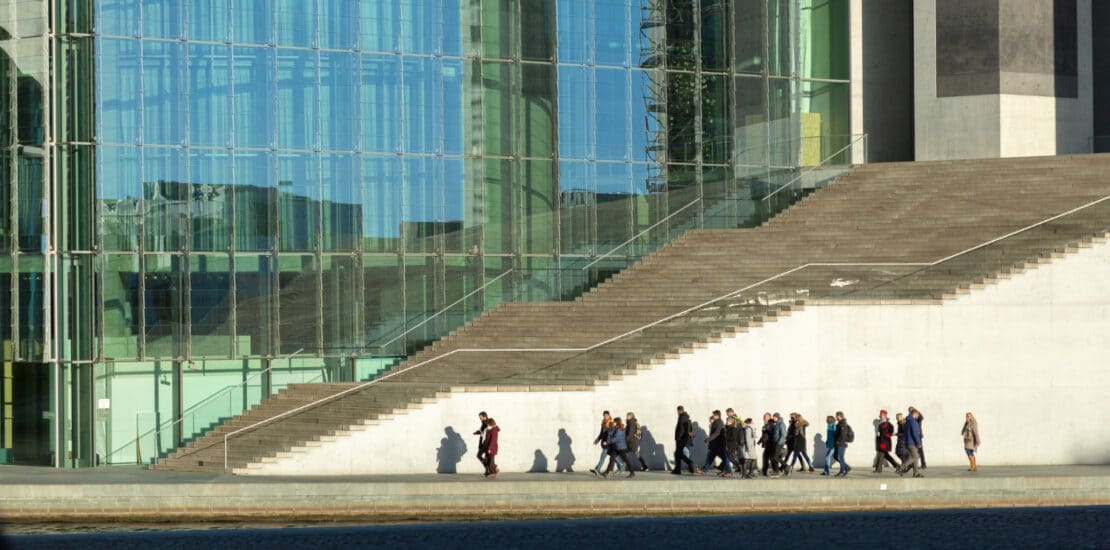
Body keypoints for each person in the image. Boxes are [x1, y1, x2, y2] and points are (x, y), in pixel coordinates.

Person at [699, 410, 732, 477]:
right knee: (710, 458)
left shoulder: (719, 422)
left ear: (717, 415)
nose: (713, 416)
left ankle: (729, 472)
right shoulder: (716, 422)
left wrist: (709, 439)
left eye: (714, 415)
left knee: (724, 458)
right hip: (715, 445)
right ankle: (703, 471)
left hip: (719, 445)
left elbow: (717, 433)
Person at [591, 411, 622, 475]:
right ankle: (621, 467)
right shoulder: (603, 423)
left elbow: (612, 433)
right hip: (604, 442)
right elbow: (601, 433)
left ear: (609, 415)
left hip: (608, 443)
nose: (605, 417)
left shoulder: (611, 423)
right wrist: (597, 439)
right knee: (614, 457)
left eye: (606, 415)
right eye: (604, 415)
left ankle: (597, 469)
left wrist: (608, 441)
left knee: (603, 456)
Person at [672, 406, 699, 475]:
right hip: (682, 439)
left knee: (678, 454)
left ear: (678, 411)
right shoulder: (685, 416)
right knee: (678, 454)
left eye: (677, 411)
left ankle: (689, 463)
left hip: (680, 439)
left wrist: (678, 438)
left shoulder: (682, 417)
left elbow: (681, 429)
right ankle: (678, 469)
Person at [898, 407, 923, 478]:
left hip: (907, 442)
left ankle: (916, 473)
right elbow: (915, 434)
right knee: (916, 457)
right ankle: (901, 467)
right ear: (915, 414)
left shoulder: (907, 421)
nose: (918, 417)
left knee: (914, 457)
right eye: (917, 415)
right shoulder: (913, 422)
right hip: (913, 443)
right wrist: (918, 443)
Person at [833, 411, 852, 477]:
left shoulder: (843, 424)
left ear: (840, 416)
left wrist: (838, 441)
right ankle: (846, 467)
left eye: (837, 416)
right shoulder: (839, 424)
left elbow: (843, 435)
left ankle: (842, 471)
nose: (836, 417)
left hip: (841, 443)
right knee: (835, 456)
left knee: (840, 457)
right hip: (837, 443)